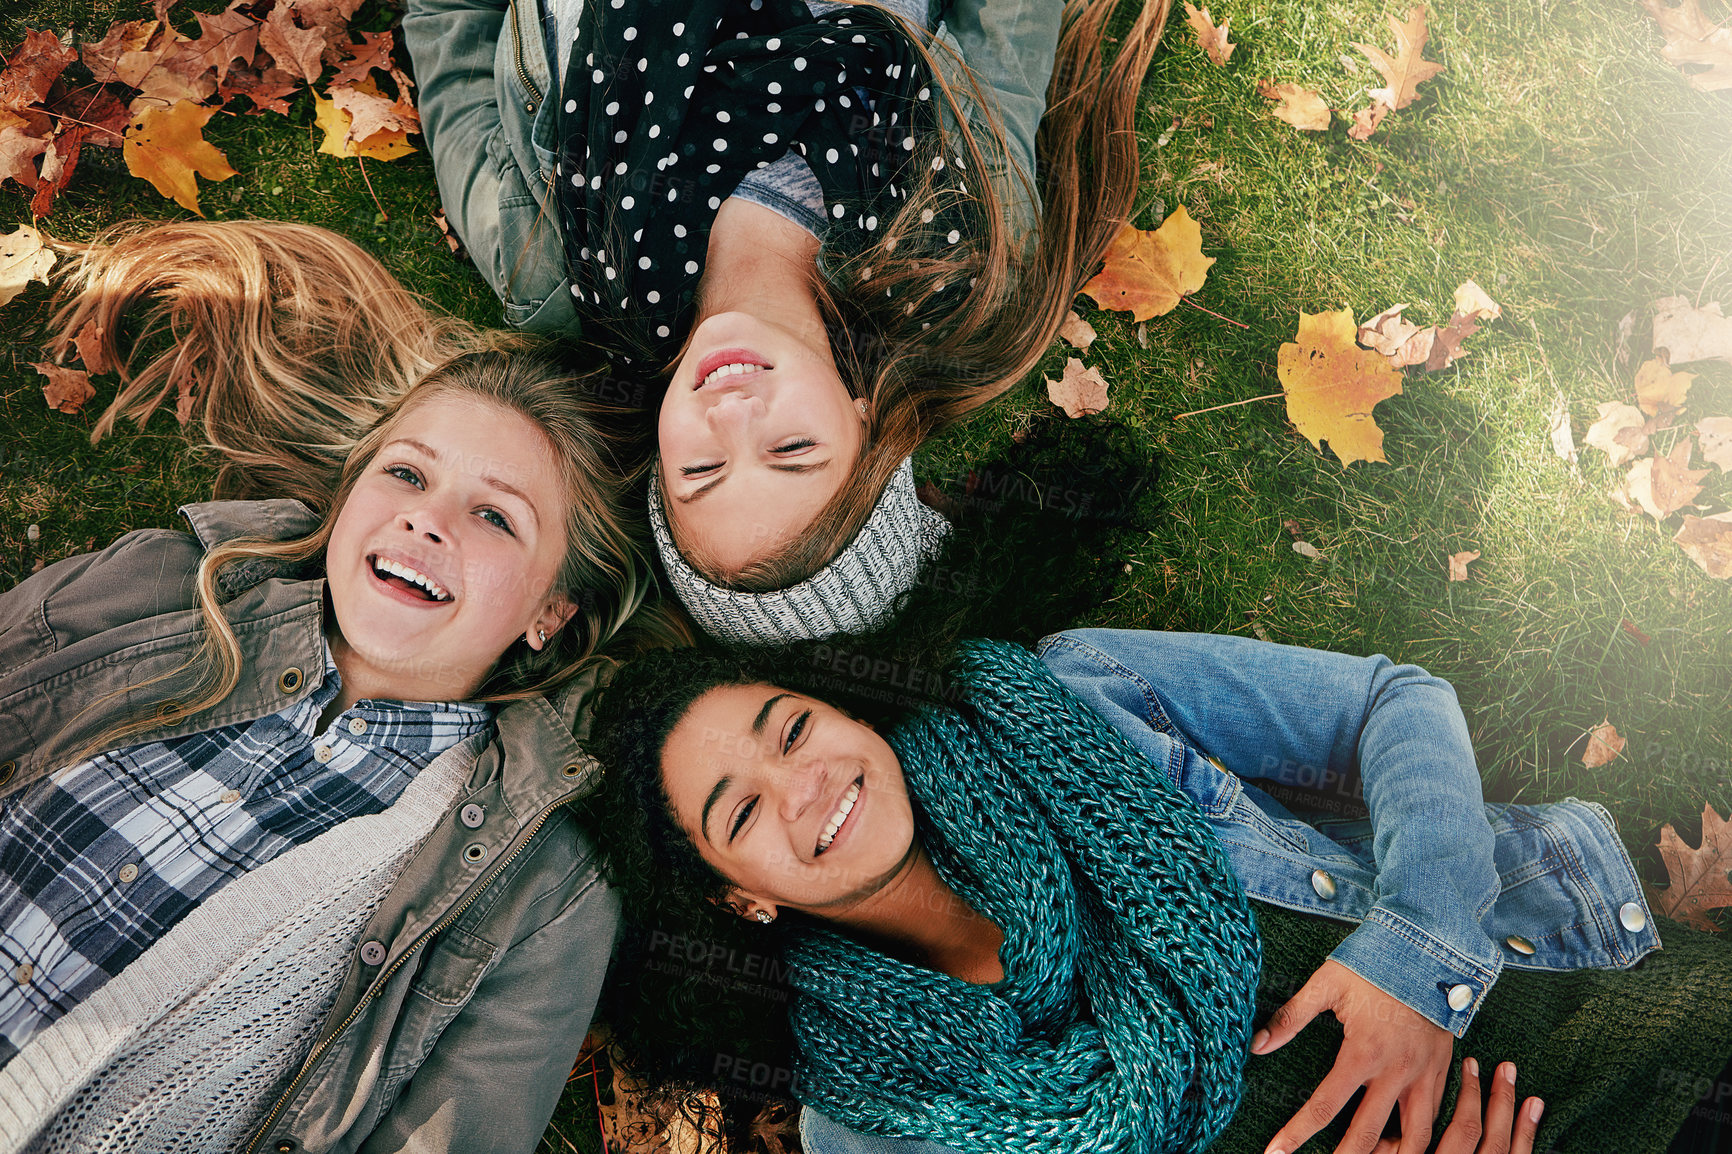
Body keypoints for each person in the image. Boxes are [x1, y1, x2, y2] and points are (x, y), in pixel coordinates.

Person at [582, 630, 1732, 1154]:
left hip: (1622, 1012)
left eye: (790, 727)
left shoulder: (1065, 700)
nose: (805, 785)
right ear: (740, 900)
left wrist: (1417, 951)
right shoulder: (870, 1121)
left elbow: (1393, 700)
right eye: (738, 813)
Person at [0, 343, 671, 1152]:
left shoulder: (546, 888)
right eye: (407, 475)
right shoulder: (168, 584)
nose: (425, 518)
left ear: (551, 613)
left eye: (494, 516)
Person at [402, 0, 1175, 639]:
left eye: (700, 471)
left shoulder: (549, 264)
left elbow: (450, 27)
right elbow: (1006, 28)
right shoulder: (954, 252)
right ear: (865, 422)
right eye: (793, 448)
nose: (733, 416)